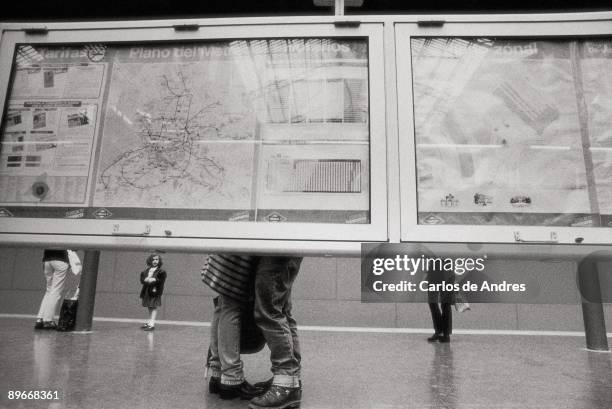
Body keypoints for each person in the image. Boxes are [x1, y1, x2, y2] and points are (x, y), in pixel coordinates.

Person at [201, 254, 266, 400]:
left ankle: (218, 373)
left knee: (223, 304)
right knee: (233, 305)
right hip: (239, 254)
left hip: (227, 250)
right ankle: (232, 378)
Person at [249, 256, 303, 409]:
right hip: (288, 244)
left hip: (278, 246)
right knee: (282, 310)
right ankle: (290, 379)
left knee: (269, 311)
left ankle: (286, 383)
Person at [35, 249, 71, 330]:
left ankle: (40, 319)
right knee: (55, 291)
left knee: (49, 290)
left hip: (47, 260)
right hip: (61, 259)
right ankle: (48, 320)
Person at [426, 266, 455, 343]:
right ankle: (441, 332)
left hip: (446, 273)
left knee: (445, 304)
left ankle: (444, 334)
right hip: (436, 273)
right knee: (433, 302)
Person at [139, 253, 166, 331]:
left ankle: (152, 324)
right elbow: (142, 279)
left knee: (153, 307)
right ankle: (150, 322)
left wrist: (154, 280)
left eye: (157, 259)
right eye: (153, 259)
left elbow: (161, 281)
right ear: (150, 261)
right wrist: (145, 280)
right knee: (149, 306)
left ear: (159, 261)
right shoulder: (146, 270)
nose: (155, 261)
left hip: (155, 291)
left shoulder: (161, 271)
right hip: (147, 291)